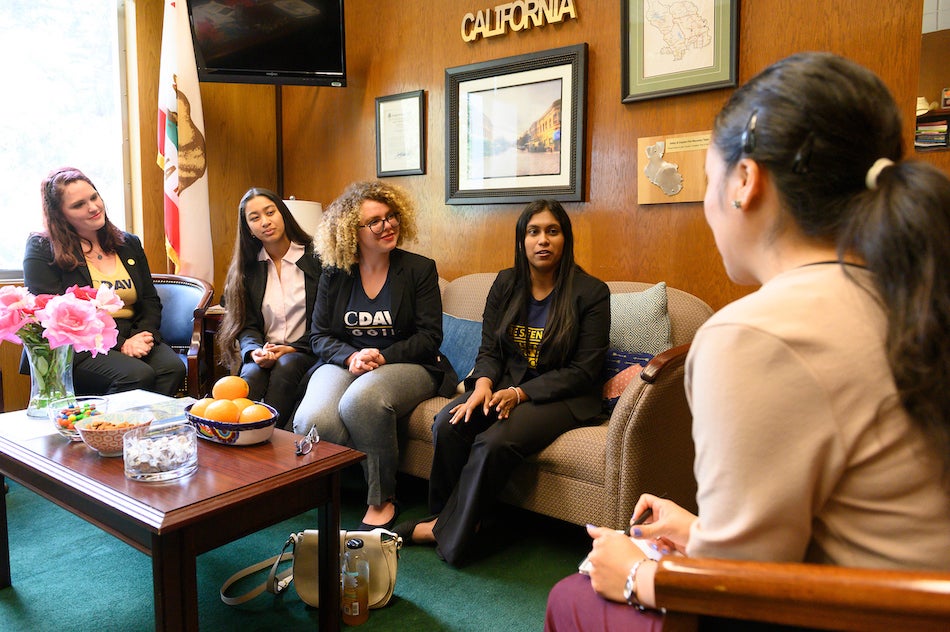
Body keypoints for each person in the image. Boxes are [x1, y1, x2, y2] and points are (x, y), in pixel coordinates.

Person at [545, 52, 950, 631]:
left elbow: (738, 590)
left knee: (573, 595)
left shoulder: (753, 333)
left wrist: (636, 573)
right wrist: (697, 531)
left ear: (744, 182)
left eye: (709, 180)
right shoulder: (913, 291)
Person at [395, 200, 611, 566]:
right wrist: (481, 385)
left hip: (563, 397)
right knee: (451, 422)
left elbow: (584, 371)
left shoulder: (590, 293)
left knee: (494, 441)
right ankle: (450, 518)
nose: (543, 240)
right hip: (506, 386)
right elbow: (490, 349)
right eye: (534, 232)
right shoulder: (506, 283)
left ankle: (445, 535)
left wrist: (520, 393)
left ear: (565, 239)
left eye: (552, 231)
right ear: (522, 240)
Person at [291, 181, 457, 531]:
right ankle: (338, 485)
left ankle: (381, 497)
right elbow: (319, 336)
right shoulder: (334, 274)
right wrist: (351, 357)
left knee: (362, 402)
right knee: (312, 419)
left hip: (409, 364)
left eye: (391, 216)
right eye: (376, 221)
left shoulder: (419, 269)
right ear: (352, 232)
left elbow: (429, 337)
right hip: (346, 361)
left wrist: (380, 356)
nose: (388, 225)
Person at [23, 167, 185, 396]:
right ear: (60, 214)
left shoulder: (128, 243)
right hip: (78, 345)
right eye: (78, 205)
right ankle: (103, 430)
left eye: (94, 197)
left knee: (171, 368)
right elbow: (52, 313)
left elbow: (149, 299)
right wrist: (120, 344)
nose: (93, 207)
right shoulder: (42, 248)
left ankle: (144, 430)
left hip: (131, 332)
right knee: (136, 375)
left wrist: (144, 335)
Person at [215, 188, 322, 425]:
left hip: (307, 351)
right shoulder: (248, 269)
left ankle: (268, 437)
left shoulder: (318, 260)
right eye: (255, 218)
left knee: (285, 366)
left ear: (282, 213)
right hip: (266, 350)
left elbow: (327, 321)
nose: (265, 222)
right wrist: (254, 350)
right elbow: (245, 325)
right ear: (248, 228)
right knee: (250, 373)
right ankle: (235, 435)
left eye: (270, 212)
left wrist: (292, 348)